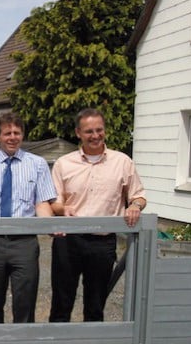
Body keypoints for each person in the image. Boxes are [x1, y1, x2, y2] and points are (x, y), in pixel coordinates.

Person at [49, 108, 146, 322]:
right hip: (68, 241)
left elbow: (138, 196)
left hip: (102, 243)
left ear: (105, 130)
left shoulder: (123, 162)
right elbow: (55, 202)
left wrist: (135, 206)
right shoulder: (63, 164)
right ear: (78, 133)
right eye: (89, 131)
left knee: (95, 305)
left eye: (99, 130)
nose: (95, 136)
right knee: (61, 303)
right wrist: (62, 209)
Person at [0, 112, 57, 323]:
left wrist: (50, 224)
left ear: (23, 135)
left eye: (17, 133)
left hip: (25, 243)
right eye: (7, 133)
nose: (12, 137)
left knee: (25, 301)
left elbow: (42, 203)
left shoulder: (37, 165)